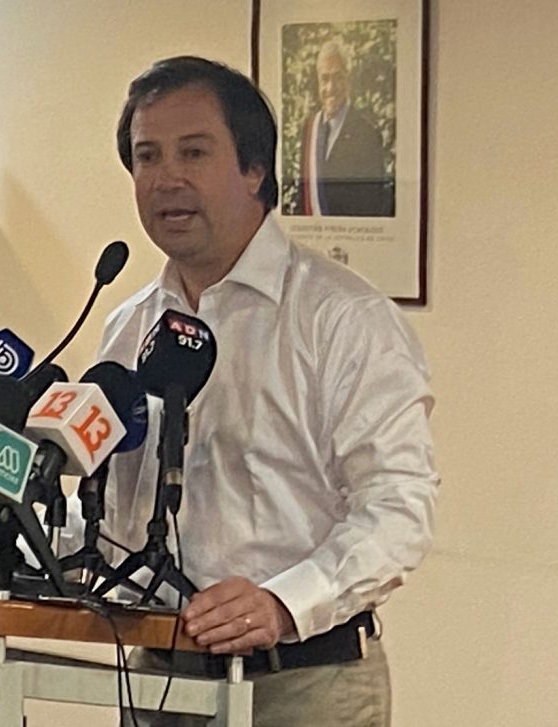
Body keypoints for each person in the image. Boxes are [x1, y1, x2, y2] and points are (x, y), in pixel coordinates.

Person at [87, 55, 437, 726]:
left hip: (304, 682)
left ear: (254, 169)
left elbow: (399, 507)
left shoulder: (342, 319)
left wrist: (282, 603)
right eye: (147, 156)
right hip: (160, 677)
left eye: (194, 152)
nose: (166, 178)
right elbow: (116, 513)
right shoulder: (129, 327)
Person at [296, 39, 395, 217]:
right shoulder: (309, 129)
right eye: (325, 79)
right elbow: (302, 195)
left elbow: (374, 202)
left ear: (348, 80)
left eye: (338, 77)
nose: (331, 87)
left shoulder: (366, 132)